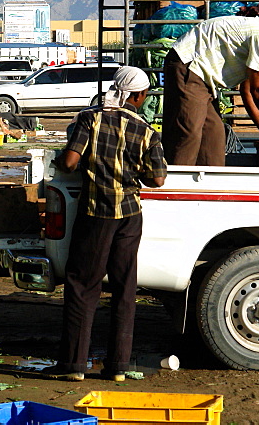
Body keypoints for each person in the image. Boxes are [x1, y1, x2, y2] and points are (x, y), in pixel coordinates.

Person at [45, 66, 167, 382]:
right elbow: (158, 178)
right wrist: (134, 176)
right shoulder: (147, 131)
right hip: (129, 215)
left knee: (83, 286)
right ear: (140, 96)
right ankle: (118, 367)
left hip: (96, 212)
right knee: (125, 289)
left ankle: (73, 365)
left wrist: (60, 162)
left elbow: (70, 161)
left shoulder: (90, 118)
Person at [162, 0, 259, 166]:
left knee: (214, 135)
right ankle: (174, 186)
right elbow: (258, 90)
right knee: (188, 132)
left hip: (204, 79)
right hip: (188, 65)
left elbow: (247, 91)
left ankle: (210, 188)